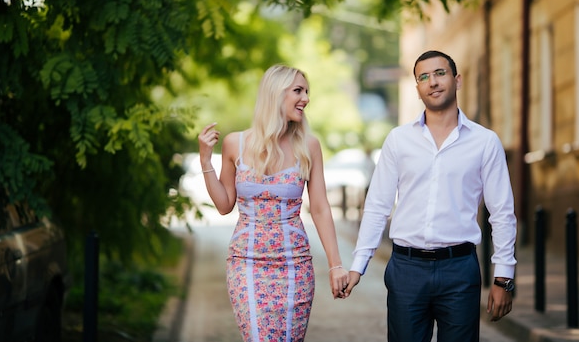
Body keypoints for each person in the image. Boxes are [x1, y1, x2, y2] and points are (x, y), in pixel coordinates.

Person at [344, 50, 517, 342]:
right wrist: (357, 265)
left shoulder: (485, 142)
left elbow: (502, 213)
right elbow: (377, 206)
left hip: (459, 270)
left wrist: (503, 278)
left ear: (456, 80)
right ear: (417, 88)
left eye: (440, 73)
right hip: (406, 270)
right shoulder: (399, 140)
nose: (432, 82)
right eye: (423, 77)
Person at [198, 64, 349, 342]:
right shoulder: (235, 144)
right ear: (275, 94)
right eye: (298, 91)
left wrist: (335, 264)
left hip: (295, 265)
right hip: (246, 264)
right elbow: (224, 205)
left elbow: (319, 208)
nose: (306, 98)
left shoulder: (309, 146)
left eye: (307, 91)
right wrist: (206, 160)